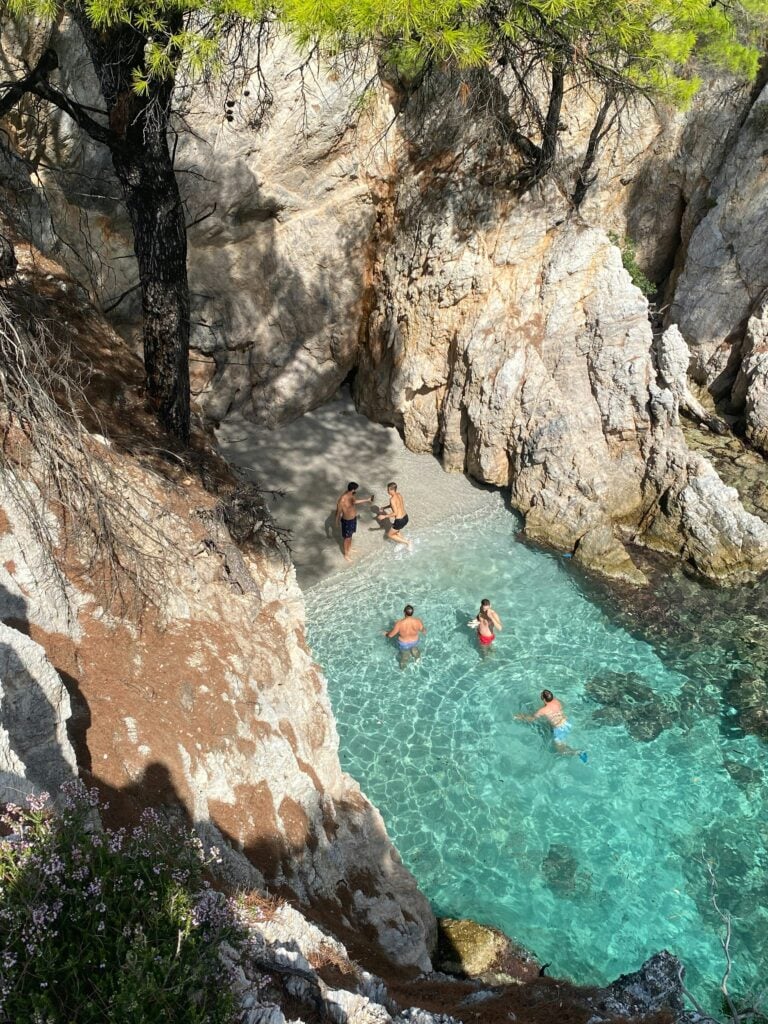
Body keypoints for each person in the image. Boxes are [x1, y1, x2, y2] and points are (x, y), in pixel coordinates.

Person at [515, 690, 587, 760]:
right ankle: (573, 750)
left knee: (561, 751)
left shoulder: (543, 710)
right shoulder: (557, 701)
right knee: (561, 743)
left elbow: (532, 719)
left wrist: (520, 717)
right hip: (566, 724)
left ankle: (578, 752)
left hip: (559, 729)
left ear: (543, 699)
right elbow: (562, 706)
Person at [335, 482, 374, 562]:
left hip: (353, 519)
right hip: (347, 521)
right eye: (355, 489)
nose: (355, 491)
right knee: (347, 538)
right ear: (352, 489)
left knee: (350, 535)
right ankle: (346, 555)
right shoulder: (342, 499)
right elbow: (338, 511)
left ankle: (349, 548)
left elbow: (354, 502)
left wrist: (367, 500)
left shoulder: (351, 494)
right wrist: (337, 521)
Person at [376, 482, 411, 547]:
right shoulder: (399, 495)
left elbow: (395, 513)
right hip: (405, 517)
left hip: (400, 520)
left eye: (388, 489)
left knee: (389, 535)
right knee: (396, 531)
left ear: (391, 490)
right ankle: (402, 542)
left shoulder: (392, 499)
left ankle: (407, 542)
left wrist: (384, 516)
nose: (387, 491)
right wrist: (384, 507)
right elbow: (395, 505)